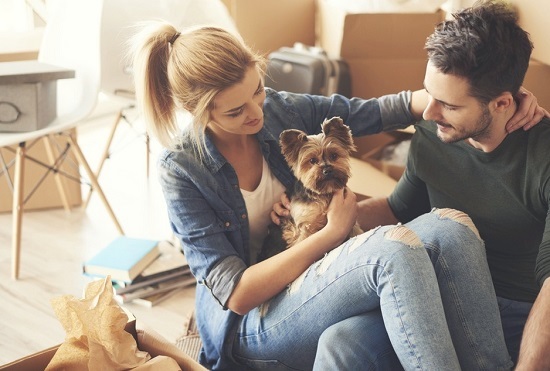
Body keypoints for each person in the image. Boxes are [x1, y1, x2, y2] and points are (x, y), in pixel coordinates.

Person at [129, 19, 543, 370]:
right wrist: (330, 232)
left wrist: (504, 98)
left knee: (448, 226)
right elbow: (236, 295)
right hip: (256, 319)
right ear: (200, 113)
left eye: (257, 90)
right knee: (391, 251)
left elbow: (379, 110)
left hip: (318, 280)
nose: (256, 112)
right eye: (235, 111)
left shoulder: (277, 109)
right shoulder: (183, 171)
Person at [344, 1, 550, 369]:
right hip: (441, 294)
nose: (427, 113)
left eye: (448, 105)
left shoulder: (543, 155)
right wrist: (324, 223)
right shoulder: (431, 132)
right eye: (428, 94)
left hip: (523, 312)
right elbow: (397, 209)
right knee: (343, 343)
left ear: (503, 103)